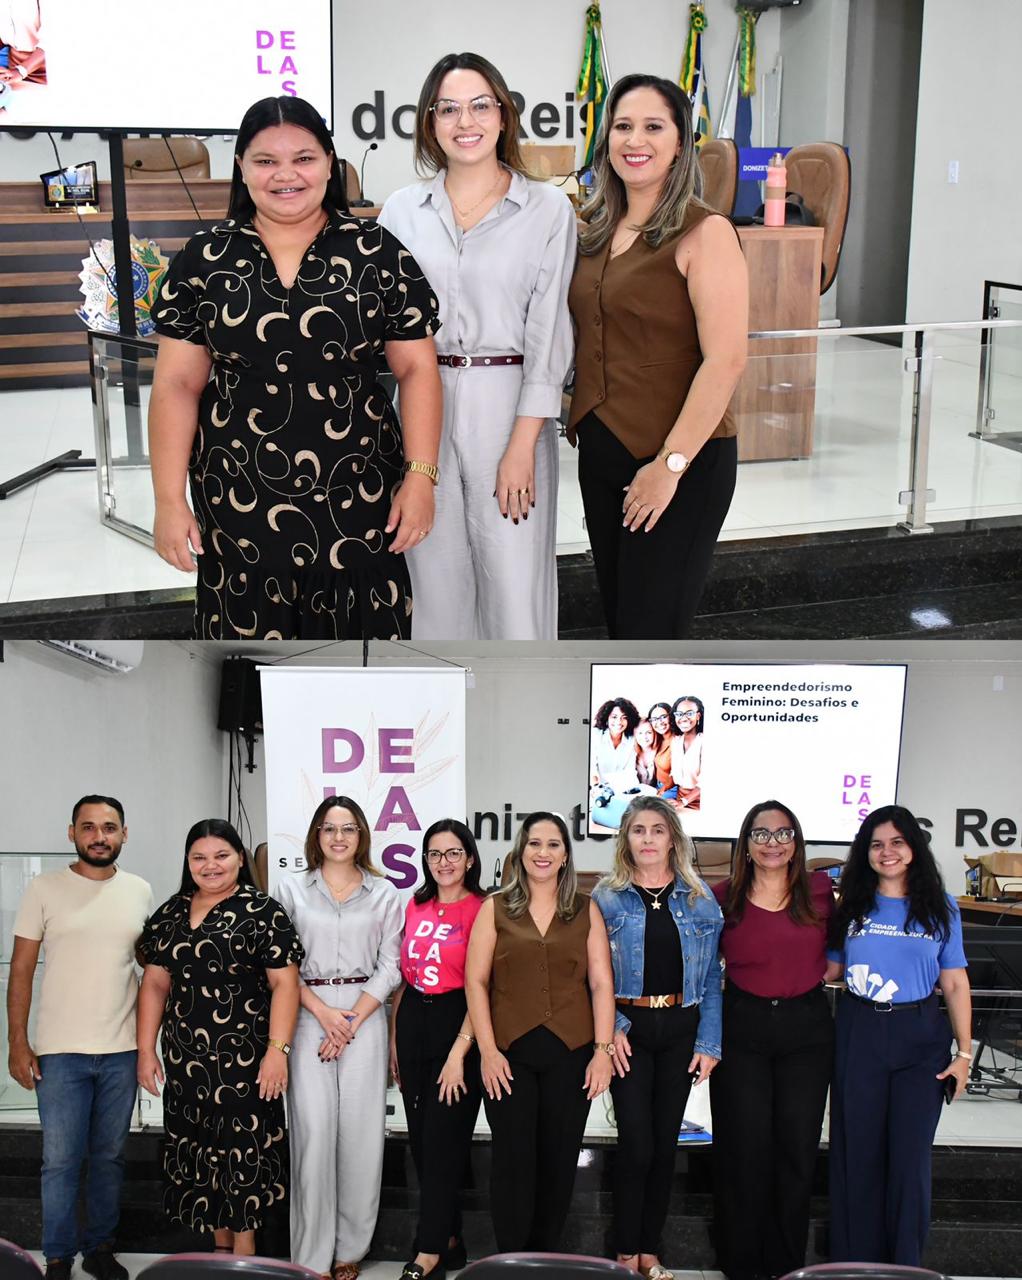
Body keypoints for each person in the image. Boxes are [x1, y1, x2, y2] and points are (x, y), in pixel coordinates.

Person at [149, 94, 442, 640]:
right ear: (241, 168)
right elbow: (175, 385)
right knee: (248, 677)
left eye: (304, 158)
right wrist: (168, 500)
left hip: (358, 497)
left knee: (359, 671)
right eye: (265, 161)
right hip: (238, 501)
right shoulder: (204, 258)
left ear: (330, 164)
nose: (286, 175)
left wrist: (421, 479)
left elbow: (418, 372)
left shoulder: (377, 253)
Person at [378, 52, 576, 640]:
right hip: (422, 397)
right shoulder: (401, 211)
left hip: (508, 401)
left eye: (480, 105)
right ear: (430, 122)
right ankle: (441, 713)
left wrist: (522, 445)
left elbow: (548, 333)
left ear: (503, 113)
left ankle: (518, 708)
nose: (466, 121)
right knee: (433, 574)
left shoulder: (547, 209)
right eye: (449, 109)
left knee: (515, 582)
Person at [567, 73, 748, 639]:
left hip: (680, 460)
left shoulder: (705, 232)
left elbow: (725, 361)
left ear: (679, 142)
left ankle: (667, 731)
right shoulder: (595, 229)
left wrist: (669, 467)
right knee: (623, 620)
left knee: (654, 630)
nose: (634, 139)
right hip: (602, 451)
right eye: (622, 126)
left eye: (652, 126)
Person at [136, 820, 302, 1256]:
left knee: (241, 1157)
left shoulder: (262, 910)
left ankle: (243, 1258)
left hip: (246, 1064)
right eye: (199, 857)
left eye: (221, 856)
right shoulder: (171, 913)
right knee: (200, 1157)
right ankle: (220, 1253)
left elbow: (286, 985)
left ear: (240, 858)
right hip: (187, 1065)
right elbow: (154, 985)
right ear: (188, 862)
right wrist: (145, 1051)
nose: (210, 866)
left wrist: (277, 1052)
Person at [6, 796, 152, 1280]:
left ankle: (100, 1250)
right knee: (60, 1161)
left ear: (124, 834)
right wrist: (17, 1043)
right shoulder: (44, 889)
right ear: (72, 833)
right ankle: (58, 1257)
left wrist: (150, 1046)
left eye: (109, 827)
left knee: (109, 1157)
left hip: (121, 1049)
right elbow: (22, 971)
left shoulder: (140, 891)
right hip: (59, 1053)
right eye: (88, 827)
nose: (99, 836)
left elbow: (151, 974)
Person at [827, 805, 972, 1267]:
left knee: (910, 1161)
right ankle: (854, 1264)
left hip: (920, 1036)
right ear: (864, 853)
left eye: (896, 842)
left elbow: (954, 982)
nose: (886, 852)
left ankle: (904, 1265)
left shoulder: (940, 906)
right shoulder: (849, 905)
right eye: (875, 844)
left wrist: (964, 1053)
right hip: (859, 1030)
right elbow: (829, 970)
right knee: (858, 1154)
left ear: (914, 847)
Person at [464, 811, 615, 1252]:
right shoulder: (494, 907)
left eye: (553, 844)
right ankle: (512, 1257)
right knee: (512, 1162)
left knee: (558, 1160)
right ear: (520, 851)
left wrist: (602, 1051)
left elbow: (601, 983)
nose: (543, 852)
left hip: (571, 1054)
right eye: (534, 843)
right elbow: (476, 981)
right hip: (508, 1056)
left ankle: (546, 1254)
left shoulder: (587, 909)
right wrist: (488, 1053)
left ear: (566, 854)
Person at [592, 796, 723, 1280]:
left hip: (681, 1030)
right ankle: (625, 1251)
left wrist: (709, 1043)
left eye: (657, 830)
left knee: (665, 1146)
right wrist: (613, 1030)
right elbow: (593, 974)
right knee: (637, 1145)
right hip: (629, 1029)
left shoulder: (698, 897)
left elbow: (711, 979)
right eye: (638, 830)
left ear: (673, 838)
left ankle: (651, 1251)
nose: (647, 839)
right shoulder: (606, 897)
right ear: (626, 838)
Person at [273, 796, 403, 1280]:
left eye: (348, 828)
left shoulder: (385, 893)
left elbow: (392, 964)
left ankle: (350, 1250)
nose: (339, 836)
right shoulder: (291, 890)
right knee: (313, 1135)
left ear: (361, 835)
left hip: (365, 1018)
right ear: (316, 835)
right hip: (307, 1014)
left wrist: (349, 1020)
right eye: (329, 828)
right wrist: (326, 1014)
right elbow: (281, 964)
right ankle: (310, 1257)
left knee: (361, 1137)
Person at [709, 801, 839, 1280]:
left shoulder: (820, 892)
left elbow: (839, 951)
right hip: (742, 1026)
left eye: (783, 834)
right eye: (761, 834)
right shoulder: (722, 897)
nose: (772, 843)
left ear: (797, 842)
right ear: (745, 843)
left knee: (796, 1149)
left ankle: (785, 1264)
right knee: (743, 1148)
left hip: (806, 1030)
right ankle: (739, 1261)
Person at [388, 820, 486, 1280]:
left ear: (469, 858)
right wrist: (394, 1038)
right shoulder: (415, 904)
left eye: (452, 853)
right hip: (413, 1024)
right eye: (434, 854)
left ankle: (427, 1251)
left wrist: (458, 1054)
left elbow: (484, 988)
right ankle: (448, 1237)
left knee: (445, 1141)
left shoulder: (483, 910)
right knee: (422, 1143)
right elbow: (403, 979)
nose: (443, 862)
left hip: (459, 1024)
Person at [590, 697, 643, 829]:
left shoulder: (631, 740)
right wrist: (597, 788)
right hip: (596, 792)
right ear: (607, 719)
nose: (619, 722)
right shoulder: (595, 736)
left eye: (624, 717)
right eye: (614, 717)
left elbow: (629, 772)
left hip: (620, 792)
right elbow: (591, 769)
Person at [669, 696, 704, 810]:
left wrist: (683, 802)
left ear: (698, 716)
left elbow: (707, 782)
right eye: (679, 714)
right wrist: (659, 793)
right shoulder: (676, 741)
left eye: (689, 713)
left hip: (700, 803)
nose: (683, 718)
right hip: (678, 800)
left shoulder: (705, 741)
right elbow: (675, 776)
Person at [0, 2, 46, 86]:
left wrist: (21, 71)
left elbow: (54, 40)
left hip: (48, 71)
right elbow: (5, 34)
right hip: (12, 71)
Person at [647, 703, 676, 800]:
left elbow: (676, 774)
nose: (659, 722)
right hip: (658, 786)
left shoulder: (677, 741)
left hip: (672, 789)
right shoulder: (657, 739)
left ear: (671, 717)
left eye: (663, 717)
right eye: (654, 719)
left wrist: (661, 791)